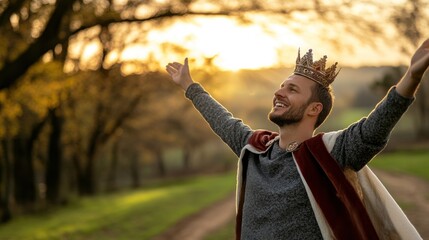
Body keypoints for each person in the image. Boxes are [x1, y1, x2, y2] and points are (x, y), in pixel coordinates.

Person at [165, 39, 429, 240]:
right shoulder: (256, 149)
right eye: (281, 85)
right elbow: (222, 120)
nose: (279, 92)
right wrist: (190, 86)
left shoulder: (328, 154)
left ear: (314, 109)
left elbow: (374, 127)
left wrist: (412, 77)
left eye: (292, 89)